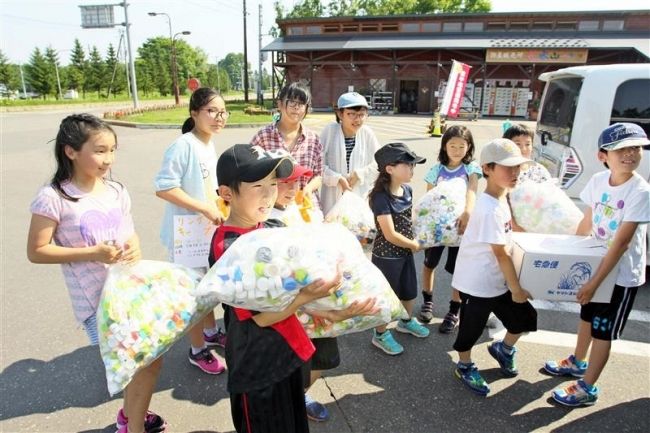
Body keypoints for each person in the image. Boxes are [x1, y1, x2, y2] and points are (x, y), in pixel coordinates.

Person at [26, 114, 165, 433]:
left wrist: (133, 248)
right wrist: (93, 253)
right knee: (138, 365)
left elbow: (130, 234)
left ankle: (131, 419)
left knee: (150, 361)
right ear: (70, 151)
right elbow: (37, 251)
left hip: (130, 291)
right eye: (100, 150)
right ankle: (133, 426)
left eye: (113, 150)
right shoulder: (54, 197)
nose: (108, 159)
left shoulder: (116, 190)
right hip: (95, 302)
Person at [210, 144, 341, 433]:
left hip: (286, 352)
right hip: (257, 366)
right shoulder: (229, 247)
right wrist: (308, 296)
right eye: (257, 185)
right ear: (227, 193)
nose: (269, 194)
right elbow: (261, 317)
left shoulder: (268, 227)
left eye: (272, 184)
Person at [545, 123, 650, 407]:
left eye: (636, 148)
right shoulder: (598, 181)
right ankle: (577, 361)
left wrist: (593, 283)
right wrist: (567, 259)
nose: (630, 154)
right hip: (595, 266)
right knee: (586, 318)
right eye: (621, 149)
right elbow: (586, 223)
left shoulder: (640, 192)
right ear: (603, 155)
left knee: (602, 330)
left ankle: (587, 387)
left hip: (620, 276)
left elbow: (622, 243)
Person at [451, 138, 538, 396]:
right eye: (507, 168)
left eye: (518, 167)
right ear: (487, 169)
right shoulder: (489, 208)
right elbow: (500, 255)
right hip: (478, 284)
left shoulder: (501, 199)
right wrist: (517, 290)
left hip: (497, 280)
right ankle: (464, 366)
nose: (515, 174)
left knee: (525, 318)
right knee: (470, 329)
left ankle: (504, 349)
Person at [154, 87, 227, 375]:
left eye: (222, 112)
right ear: (194, 113)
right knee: (194, 296)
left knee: (206, 289)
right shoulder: (183, 145)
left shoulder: (207, 143)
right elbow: (164, 187)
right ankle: (197, 350)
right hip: (187, 235)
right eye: (211, 111)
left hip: (203, 232)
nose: (218, 117)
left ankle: (210, 332)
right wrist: (203, 207)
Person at [418, 125, 482, 334]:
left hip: (460, 227)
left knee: (457, 269)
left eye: (461, 146)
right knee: (429, 264)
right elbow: (430, 200)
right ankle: (427, 300)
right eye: (452, 145)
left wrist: (467, 213)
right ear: (444, 146)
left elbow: (472, 191)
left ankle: (454, 310)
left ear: (469, 147)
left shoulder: (471, 169)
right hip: (438, 229)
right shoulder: (437, 170)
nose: (456, 150)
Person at [369, 142, 430, 355]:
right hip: (387, 256)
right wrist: (414, 244)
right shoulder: (380, 197)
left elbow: (409, 219)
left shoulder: (408, 190)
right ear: (389, 169)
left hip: (404, 252)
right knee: (387, 295)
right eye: (408, 165)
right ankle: (380, 334)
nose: (412, 170)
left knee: (408, 289)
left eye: (413, 166)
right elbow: (389, 234)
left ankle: (405, 320)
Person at [251, 82, 323, 210]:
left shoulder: (313, 139)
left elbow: (319, 175)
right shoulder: (263, 137)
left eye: (301, 104)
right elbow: (251, 173)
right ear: (279, 104)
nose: (296, 108)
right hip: (271, 208)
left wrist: (308, 188)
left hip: (305, 206)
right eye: (291, 102)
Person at [320, 91, 380, 214]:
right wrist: (337, 178)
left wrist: (360, 174)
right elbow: (316, 164)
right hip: (333, 197)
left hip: (359, 197)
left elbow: (379, 163)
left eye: (362, 114)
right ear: (340, 114)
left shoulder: (367, 133)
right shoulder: (330, 132)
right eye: (351, 114)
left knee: (357, 229)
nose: (357, 119)